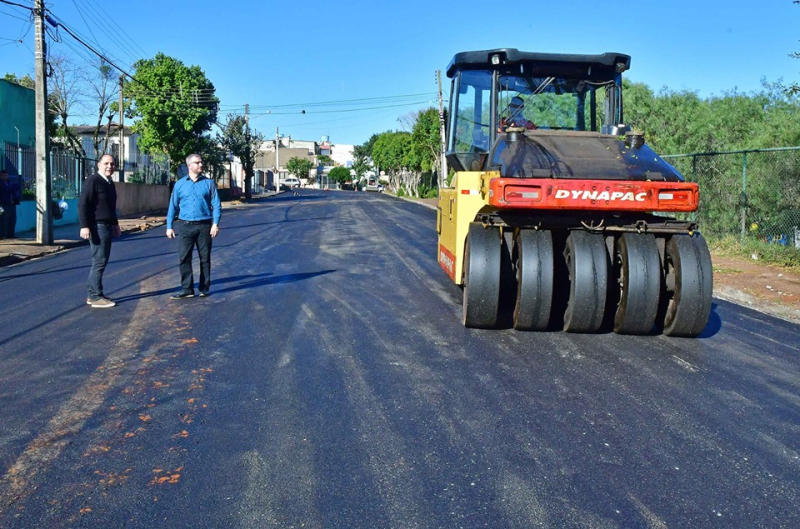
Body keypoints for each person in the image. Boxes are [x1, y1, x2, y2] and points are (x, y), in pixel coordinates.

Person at [166, 153, 221, 299]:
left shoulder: (209, 183)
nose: (201, 165)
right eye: (197, 162)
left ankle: (204, 287)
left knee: (205, 258)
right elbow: (173, 206)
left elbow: (216, 204)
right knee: (184, 258)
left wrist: (215, 224)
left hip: (204, 226)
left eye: (201, 162)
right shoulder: (180, 184)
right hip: (185, 226)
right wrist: (169, 226)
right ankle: (187, 289)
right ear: (189, 165)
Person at [78, 155, 121, 308]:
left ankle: (93, 294)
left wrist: (115, 224)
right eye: (106, 163)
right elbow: (83, 204)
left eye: (112, 164)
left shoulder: (109, 183)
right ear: (99, 165)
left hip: (107, 225)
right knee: (99, 260)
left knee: (101, 260)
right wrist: (84, 226)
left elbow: (111, 207)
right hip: (97, 226)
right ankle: (96, 296)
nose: (109, 166)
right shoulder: (93, 180)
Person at [0, 169, 21, 239]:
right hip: (3, 204)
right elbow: (6, 189)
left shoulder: (10, 182)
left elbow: (17, 187)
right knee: (3, 219)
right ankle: (2, 235)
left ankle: (11, 235)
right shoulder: (1, 183)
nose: (5, 177)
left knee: (12, 220)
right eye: (3, 175)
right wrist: (13, 188)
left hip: (12, 203)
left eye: (6, 175)